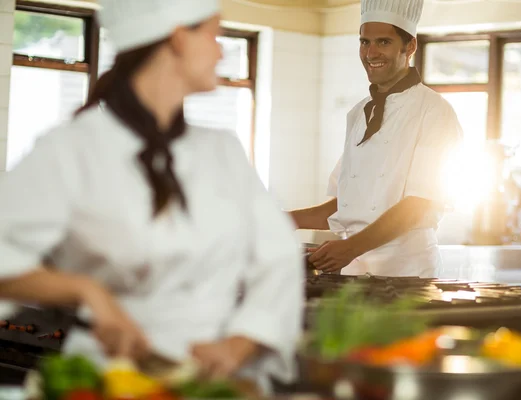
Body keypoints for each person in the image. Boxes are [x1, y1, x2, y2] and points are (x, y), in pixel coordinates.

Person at [0, 0, 303, 391]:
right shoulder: (71, 149)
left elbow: (278, 260)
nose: (220, 50)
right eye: (214, 34)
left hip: (214, 382)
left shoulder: (223, 151)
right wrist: (88, 291)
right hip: (108, 381)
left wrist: (239, 344)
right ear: (178, 38)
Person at [290, 0, 463, 278]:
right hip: (354, 272)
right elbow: (348, 203)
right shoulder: (358, 113)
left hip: (408, 274)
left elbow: (420, 204)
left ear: (410, 47)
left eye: (383, 42)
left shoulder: (435, 112)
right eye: (364, 42)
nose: (370, 53)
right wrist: (287, 219)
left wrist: (349, 248)